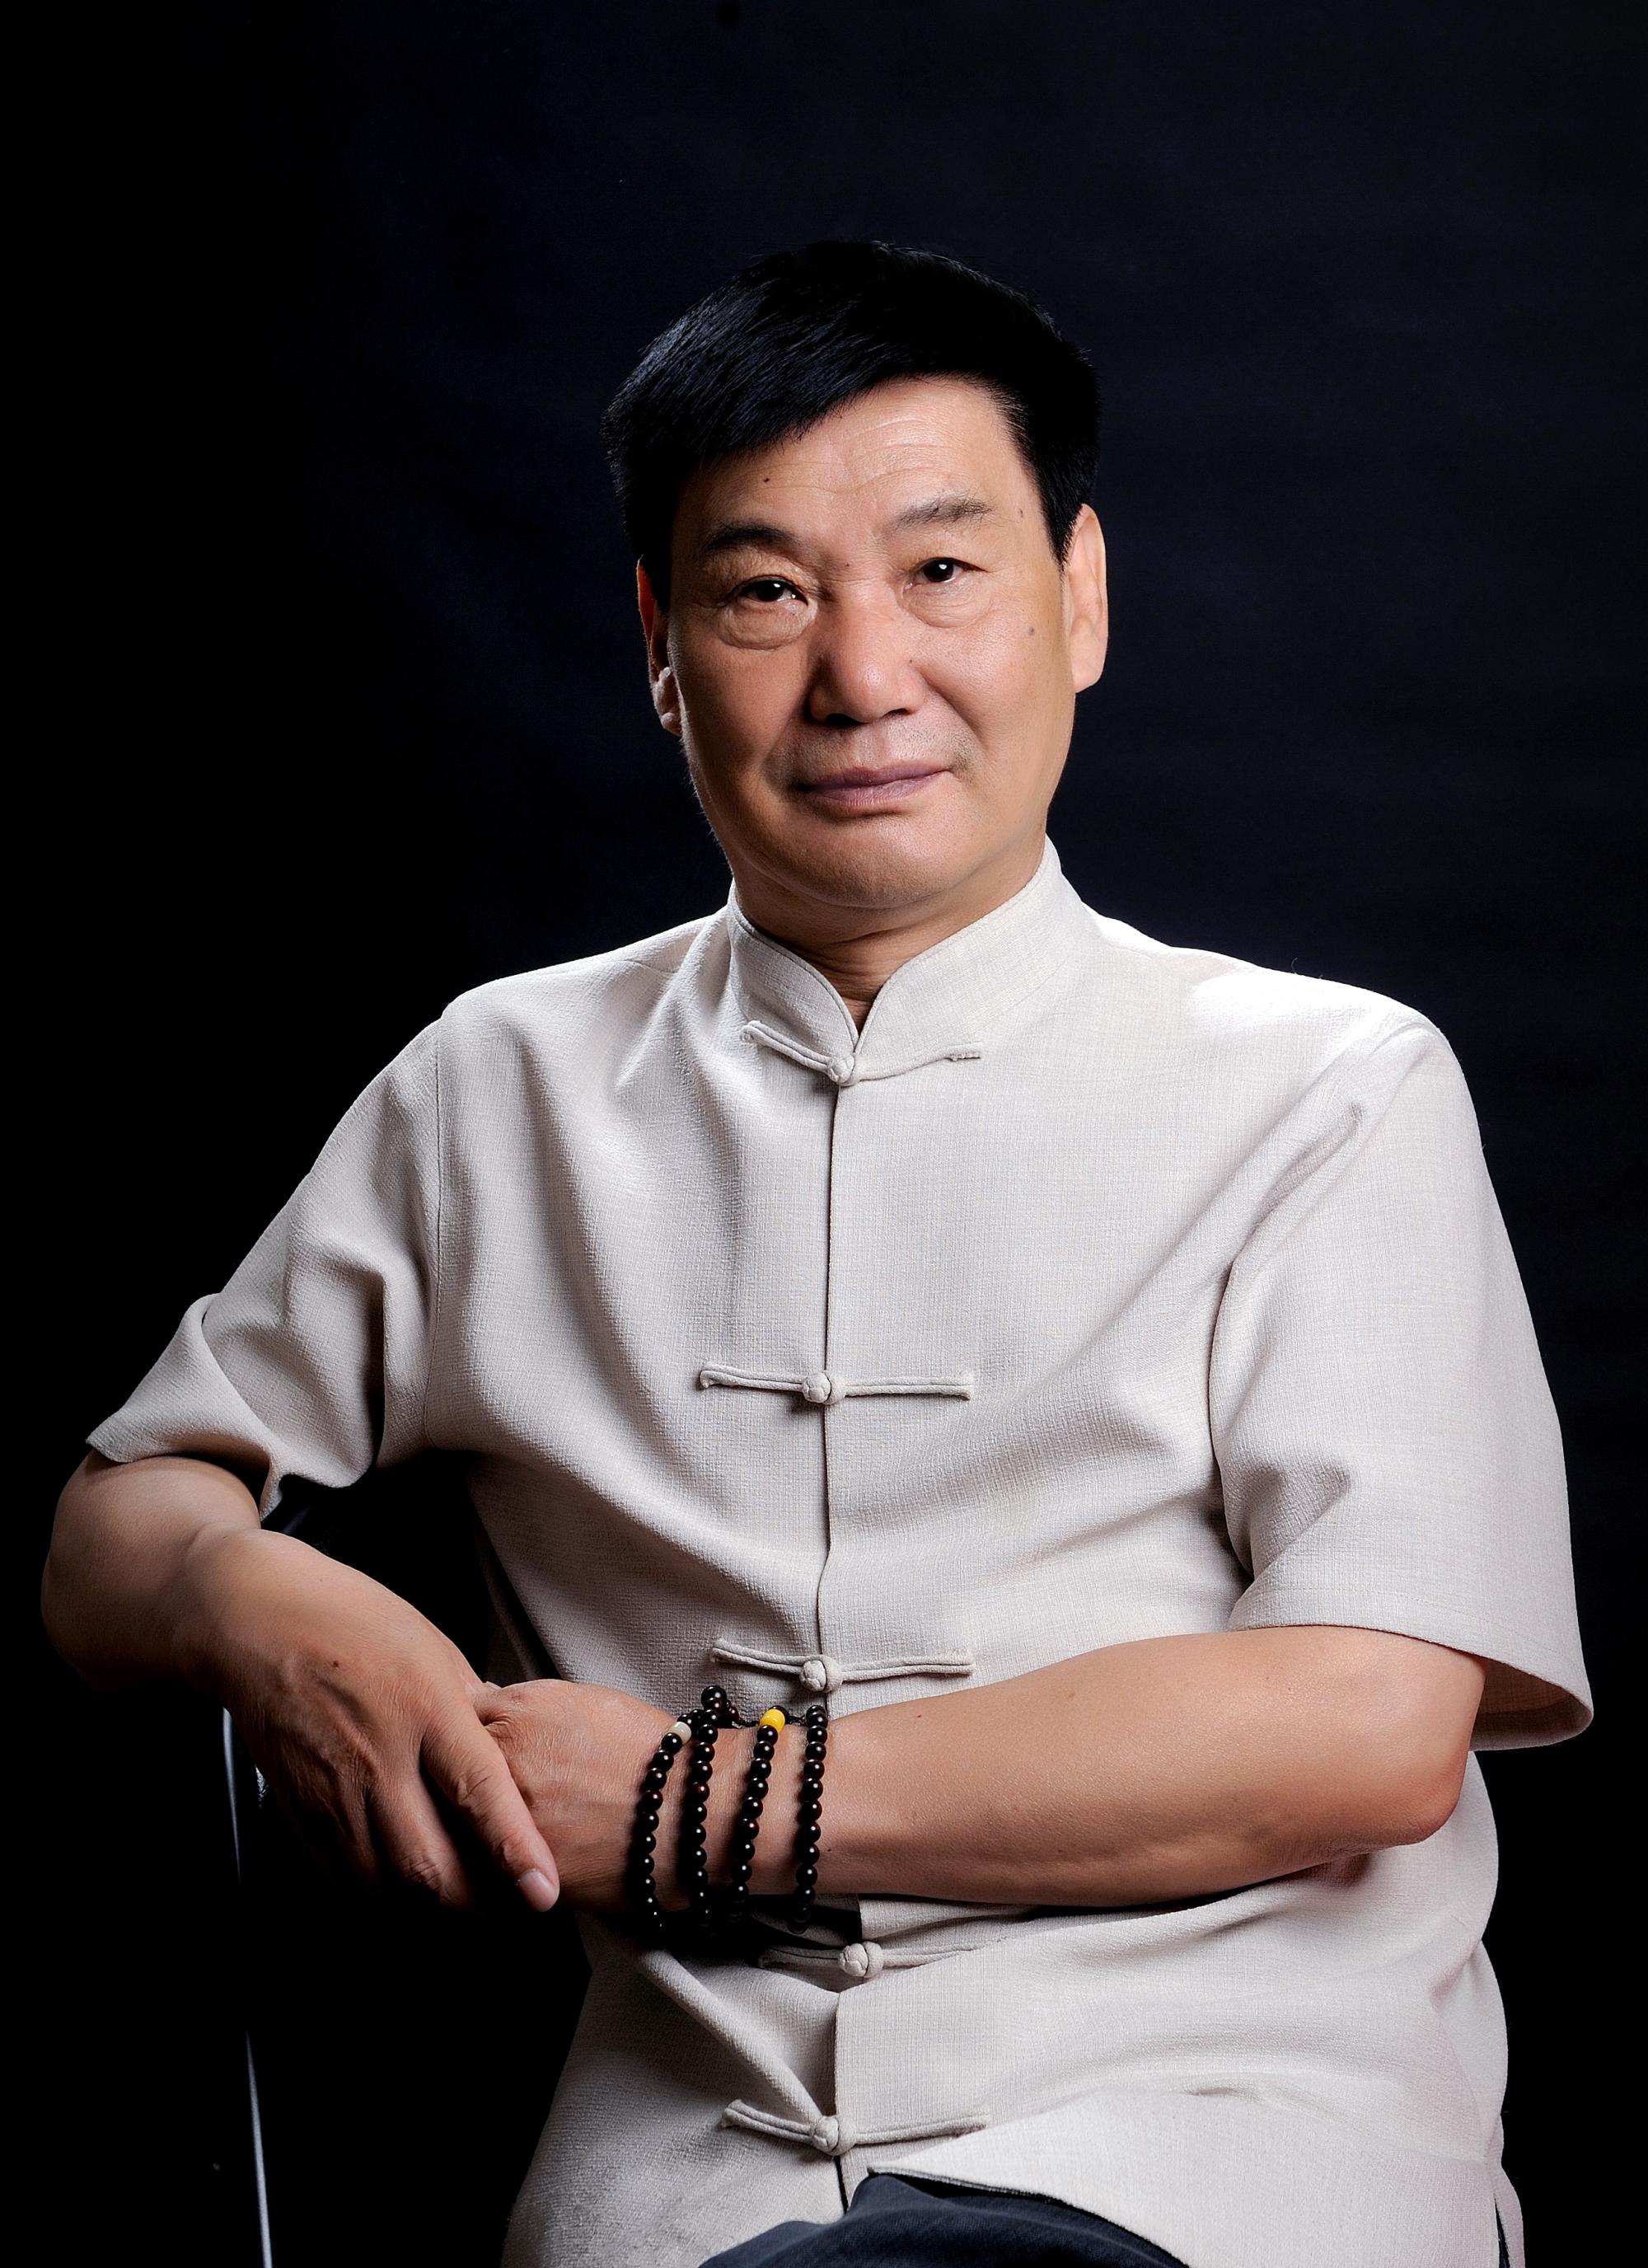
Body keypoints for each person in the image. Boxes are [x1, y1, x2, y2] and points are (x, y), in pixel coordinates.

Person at [43, 241, 1589, 2268]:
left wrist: (694, 1804)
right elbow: (114, 1529)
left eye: (941, 569)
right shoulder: (500, 1086)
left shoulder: (1328, 1086)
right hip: (693, 2181)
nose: (864, 674)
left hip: (1212, 2155)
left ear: (1080, 596)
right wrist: (262, 1602)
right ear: (659, 643)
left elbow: (1366, 1723)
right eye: (767, 590)